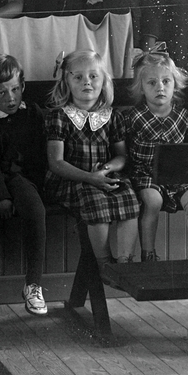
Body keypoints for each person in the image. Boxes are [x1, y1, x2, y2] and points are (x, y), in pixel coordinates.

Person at [0, 54, 51, 317]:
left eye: (15, 89)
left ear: (23, 86)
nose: (11, 98)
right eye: (1, 92)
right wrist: (3, 197)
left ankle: (33, 284)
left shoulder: (32, 114)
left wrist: (29, 187)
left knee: (35, 209)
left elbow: (39, 158)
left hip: (20, 179)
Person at [44, 50, 139, 264]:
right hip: (71, 180)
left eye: (93, 76)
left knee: (128, 197)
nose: (86, 82)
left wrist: (104, 171)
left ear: (103, 81)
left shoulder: (112, 116)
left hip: (102, 176)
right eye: (78, 77)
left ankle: (125, 263)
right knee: (95, 201)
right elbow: (56, 162)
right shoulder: (60, 116)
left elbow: (121, 156)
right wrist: (90, 177)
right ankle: (103, 263)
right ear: (66, 82)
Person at [124, 50, 188, 263]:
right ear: (141, 88)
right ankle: (148, 254)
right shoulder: (133, 117)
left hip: (179, 174)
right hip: (146, 175)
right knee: (152, 201)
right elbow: (125, 152)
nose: (160, 87)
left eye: (166, 81)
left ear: (175, 84)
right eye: (152, 83)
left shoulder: (185, 117)